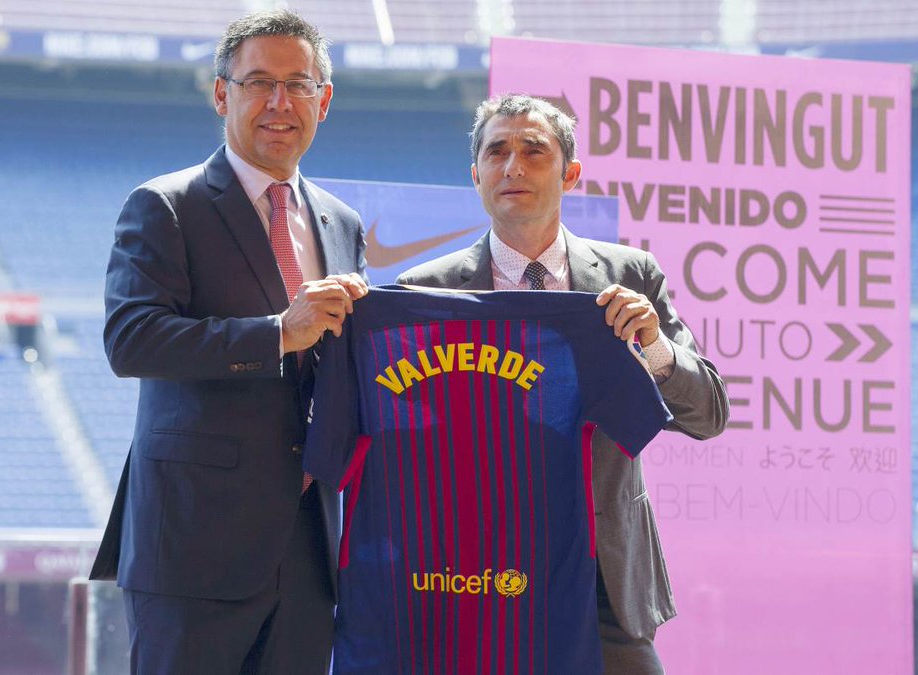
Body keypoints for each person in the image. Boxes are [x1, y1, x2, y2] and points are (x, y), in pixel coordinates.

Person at [396, 94, 729, 674]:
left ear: (570, 174)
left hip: (603, 580)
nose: (513, 167)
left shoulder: (631, 277)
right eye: (496, 152)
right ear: (475, 175)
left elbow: (708, 414)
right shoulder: (424, 292)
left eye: (534, 151)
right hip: (473, 576)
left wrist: (653, 346)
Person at [88, 10, 368, 675]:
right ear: (222, 94)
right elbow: (131, 340)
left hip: (309, 549)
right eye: (259, 82)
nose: (280, 102)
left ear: (324, 100)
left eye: (298, 84)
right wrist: (279, 333)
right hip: (193, 550)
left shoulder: (342, 221)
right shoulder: (165, 205)